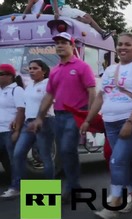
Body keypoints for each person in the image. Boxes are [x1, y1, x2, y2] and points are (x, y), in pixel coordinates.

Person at [81, 33, 132, 219]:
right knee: (125, 161)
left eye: (127, 44)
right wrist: (88, 120)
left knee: (117, 160)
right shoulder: (110, 69)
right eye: (120, 44)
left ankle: (114, 203)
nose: (122, 47)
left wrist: (130, 121)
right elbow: (100, 96)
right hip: (110, 122)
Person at [28, 32, 97, 203]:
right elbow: (49, 96)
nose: (59, 45)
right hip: (58, 116)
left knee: (67, 149)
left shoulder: (82, 67)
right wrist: (39, 118)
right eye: (57, 43)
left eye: (64, 42)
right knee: (65, 153)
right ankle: (75, 186)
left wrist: (88, 118)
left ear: (72, 46)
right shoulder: (55, 70)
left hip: (75, 115)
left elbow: (92, 92)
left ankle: (71, 186)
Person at [1, 60, 55, 199]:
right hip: (28, 122)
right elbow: (24, 106)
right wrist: (17, 120)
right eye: (29, 68)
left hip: (44, 121)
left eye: (35, 68)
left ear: (43, 71)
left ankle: (49, 190)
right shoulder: (29, 86)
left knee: (45, 157)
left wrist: (40, 119)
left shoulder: (48, 84)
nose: (31, 71)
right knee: (18, 154)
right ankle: (17, 187)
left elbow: (49, 102)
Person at [0, 64, 25, 197]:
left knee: (13, 159)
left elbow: (21, 110)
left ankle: (16, 187)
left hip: (8, 131)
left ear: (9, 76)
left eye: (1, 74)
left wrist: (17, 130)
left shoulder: (16, 90)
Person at [37, 0, 112, 40]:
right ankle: (77, 19)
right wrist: (56, 12)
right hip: (62, 10)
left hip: (66, 8)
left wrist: (40, 11)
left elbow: (45, 1)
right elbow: (54, 1)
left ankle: (102, 33)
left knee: (87, 16)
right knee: (87, 20)